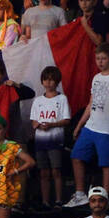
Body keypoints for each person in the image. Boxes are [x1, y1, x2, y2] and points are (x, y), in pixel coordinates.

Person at [67, 43, 109, 207]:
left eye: (103, 58)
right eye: (98, 58)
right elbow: (91, 103)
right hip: (91, 127)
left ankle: (105, 197)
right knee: (76, 156)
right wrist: (79, 125)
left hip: (106, 129)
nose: (100, 62)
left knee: (106, 164)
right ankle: (80, 194)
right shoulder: (96, 78)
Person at [29, 66, 71, 208]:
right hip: (40, 141)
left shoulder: (62, 98)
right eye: (46, 80)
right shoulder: (38, 100)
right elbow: (33, 120)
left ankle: (59, 200)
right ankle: (45, 201)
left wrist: (51, 125)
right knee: (43, 172)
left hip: (55, 139)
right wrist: (39, 125)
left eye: (52, 80)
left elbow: (66, 120)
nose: (49, 83)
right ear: (42, 82)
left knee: (56, 170)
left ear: (57, 82)